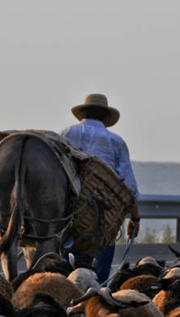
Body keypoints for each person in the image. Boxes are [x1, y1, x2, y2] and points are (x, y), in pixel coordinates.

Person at [61, 93, 140, 282]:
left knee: (64, 272)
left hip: (68, 214)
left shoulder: (67, 134)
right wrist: (135, 218)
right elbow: (128, 186)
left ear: (83, 114)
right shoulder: (116, 142)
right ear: (105, 118)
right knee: (99, 278)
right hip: (102, 219)